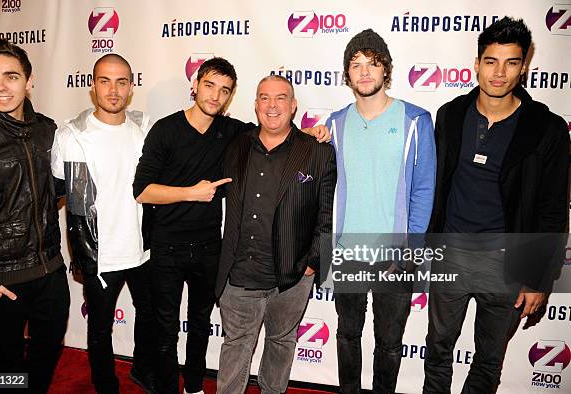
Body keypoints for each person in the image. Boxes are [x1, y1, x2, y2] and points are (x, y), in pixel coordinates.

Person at [133, 58, 329, 394]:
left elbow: (324, 208)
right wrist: (191, 193)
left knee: (211, 329)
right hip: (186, 252)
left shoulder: (237, 134)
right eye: (209, 86)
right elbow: (141, 190)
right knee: (174, 332)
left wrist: (309, 134)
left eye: (224, 90)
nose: (215, 95)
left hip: (232, 254)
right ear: (195, 86)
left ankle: (194, 386)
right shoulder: (182, 132)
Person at [423, 17, 569, 393]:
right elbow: (434, 186)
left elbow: (552, 208)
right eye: (491, 61)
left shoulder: (547, 128)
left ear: (524, 66)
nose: (500, 73)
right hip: (451, 254)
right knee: (437, 351)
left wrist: (537, 277)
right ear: (477, 64)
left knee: (489, 360)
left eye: (511, 62)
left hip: (506, 264)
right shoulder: (451, 115)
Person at [324, 29, 436, 393]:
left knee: (388, 344)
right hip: (348, 252)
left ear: (386, 69)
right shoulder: (334, 125)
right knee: (347, 335)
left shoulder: (416, 120)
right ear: (347, 74)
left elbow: (423, 188)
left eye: (373, 63)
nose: (365, 72)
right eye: (356, 65)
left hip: (395, 254)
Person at [0, 38, 69, 393]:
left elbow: (58, 191)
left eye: (11, 76)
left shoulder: (48, 131)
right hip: (2, 278)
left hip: (51, 270)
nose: (1, 87)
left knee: (48, 353)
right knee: (6, 365)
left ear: (29, 80)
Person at [215, 75, 336, 393]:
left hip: (293, 278)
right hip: (239, 274)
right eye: (264, 98)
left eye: (281, 97)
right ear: (255, 104)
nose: (272, 105)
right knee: (235, 348)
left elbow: (326, 214)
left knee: (281, 344)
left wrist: (312, 262)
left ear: (294, 105)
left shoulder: (318, 152)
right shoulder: (235, 144)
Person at [51, 54, 156, 393]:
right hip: (100, 253)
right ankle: (105, 383)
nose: (113, 90)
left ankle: (142, 369)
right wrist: (82, 254)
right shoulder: (72, 135)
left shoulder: (144, 129)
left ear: (131, 88)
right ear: (93, 86)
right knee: (99, 328)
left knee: (151, 316)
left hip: (142, 249)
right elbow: (67, 197)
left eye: (121, 82)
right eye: (105, 81)